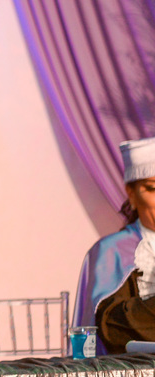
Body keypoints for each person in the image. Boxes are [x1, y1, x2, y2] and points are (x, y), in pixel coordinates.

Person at [75, 137, 155, 352]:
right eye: (152, 188)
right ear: (132, 195)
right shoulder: (112, 251)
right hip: (136, 370)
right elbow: (109, 325)